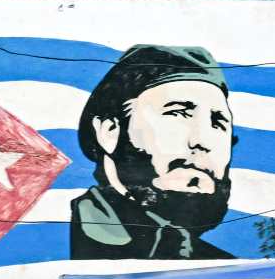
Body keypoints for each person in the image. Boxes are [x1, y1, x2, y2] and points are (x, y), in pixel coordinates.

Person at [70, 44, 235, 260]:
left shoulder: (226, 268)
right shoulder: (84, 243)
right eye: (178, 113)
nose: (201, 141)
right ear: (109, 131)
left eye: (218, 123)